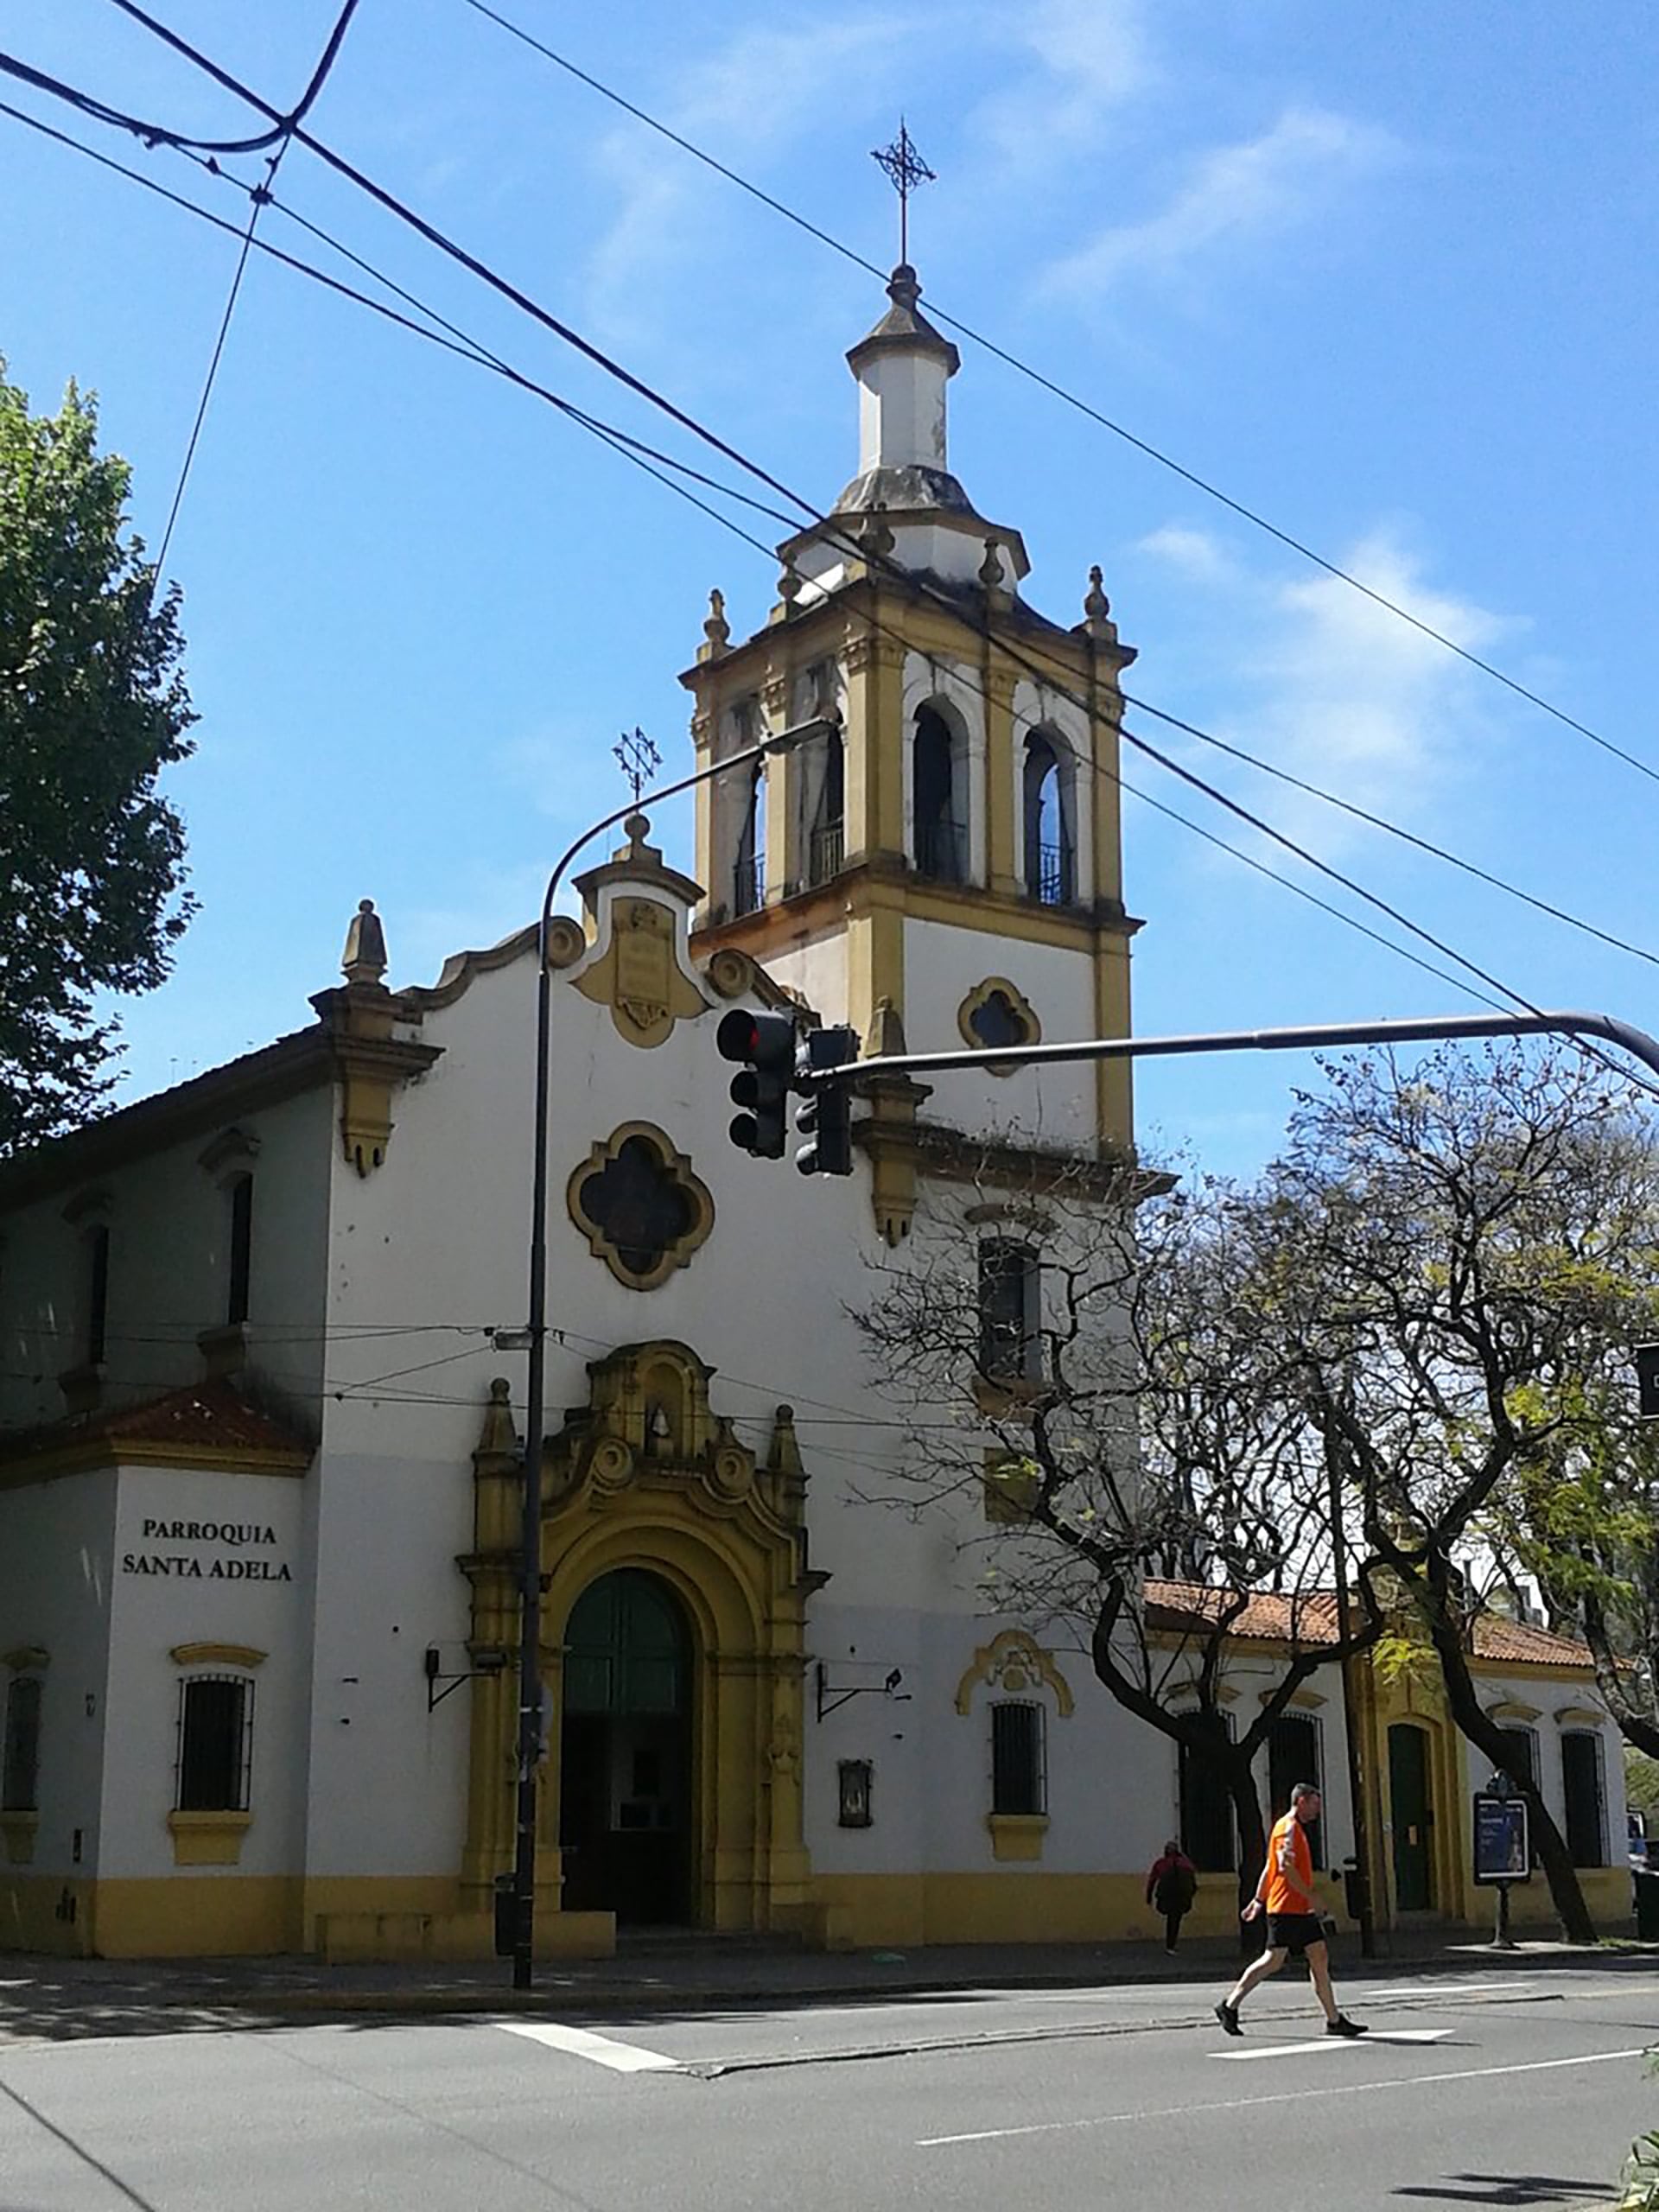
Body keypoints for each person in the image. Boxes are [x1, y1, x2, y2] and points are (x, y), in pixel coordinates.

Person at [1214, 1783, 1366, 2038]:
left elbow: (1269, 1868)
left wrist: (1258, 1900)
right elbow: (1283, 1867)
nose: (1318, 1810)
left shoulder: (1291, 1829)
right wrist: (1311, 1897)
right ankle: (1229, 2006)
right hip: (1286, 1908)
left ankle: (1334, 2019)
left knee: (1319, 1957)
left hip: (1300, 1910)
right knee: (1272, 1960)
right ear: (1302, 1801)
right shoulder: (1288, 1829)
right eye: (1315, 1803)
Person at [1145, 1839, 1198, 1954]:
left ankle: (1170, 1945)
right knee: (1176, 1920)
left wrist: (1149, 1896)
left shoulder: (1161, 1864)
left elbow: (1152, 1880)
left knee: (1171, 1920)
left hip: (1167, 1897)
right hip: (1182, 1897)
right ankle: (1171, 1944)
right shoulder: (1186, 1863)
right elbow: (1193, 1880)